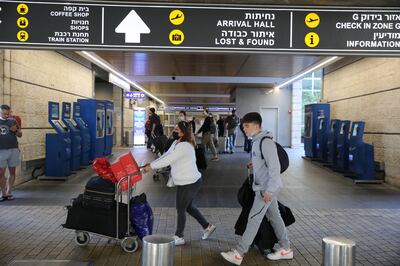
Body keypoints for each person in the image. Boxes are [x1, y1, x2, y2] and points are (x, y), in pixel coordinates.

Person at [221, 112, 292, 265]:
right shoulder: (256, 141)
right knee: (275, 217)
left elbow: (275, 168)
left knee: (253, 219)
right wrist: (255, 163)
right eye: (243, 126)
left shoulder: (265, 142)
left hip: (265, 189)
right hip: (264, 187)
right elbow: (264, 161)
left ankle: (239, 253)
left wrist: (269, 192)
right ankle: (286, 248)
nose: (244, 129)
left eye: (246, 126)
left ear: (256, 125)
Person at [144, 121, 216, 245]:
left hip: (190, 182)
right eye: (175, 128)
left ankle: (179, 236)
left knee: (181, 208)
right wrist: (150, 165)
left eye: (177, 129)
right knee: (187, 207)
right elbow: (166, 155)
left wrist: (152, 167)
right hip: (187, 181)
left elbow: (169, 159)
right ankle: (207, 226)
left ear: (184, 132)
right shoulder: (177, 143)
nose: (174, 130)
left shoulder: (185, 145)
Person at [0, 105, 22, 202]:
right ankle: (3, 193)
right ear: (0, 112)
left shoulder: (13, 121)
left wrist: (16, 130)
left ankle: (9, 192)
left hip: (13, 149)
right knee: (1, 173)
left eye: (8, 113)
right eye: (4, 113)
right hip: (1, 150)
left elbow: (20, 134)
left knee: (12, 172)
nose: (6, 115)